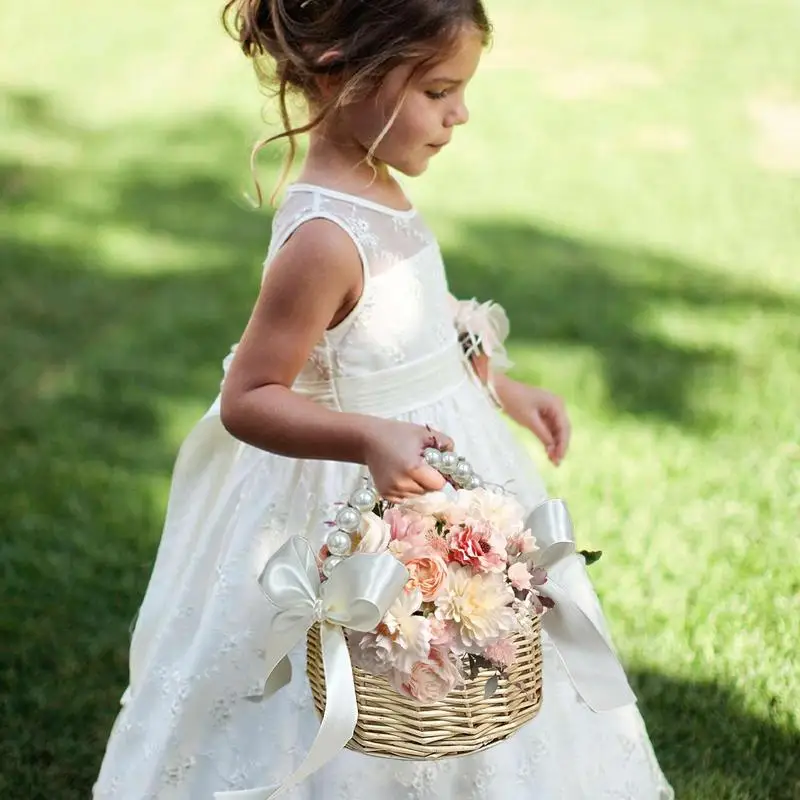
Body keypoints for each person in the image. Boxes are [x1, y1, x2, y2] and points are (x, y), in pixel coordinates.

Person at [92, 1, 674, 797]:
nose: (460, 114)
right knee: (370, 673)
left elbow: (414, 333)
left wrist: (502, 388)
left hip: (434, 465)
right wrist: (368, 439)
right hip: (349, 503)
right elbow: (248, 396)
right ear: (344, 72)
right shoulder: (324, 237)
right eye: (438, 90)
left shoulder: (380, 183)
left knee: (476, 658)